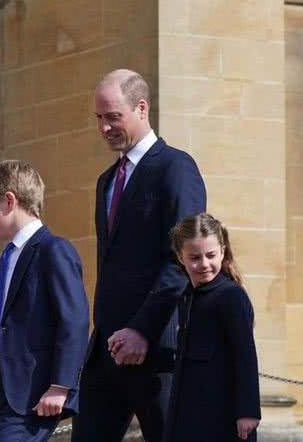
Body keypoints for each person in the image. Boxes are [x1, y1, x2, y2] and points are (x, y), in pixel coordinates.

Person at [72, 69, 207, 442]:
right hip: (106, 351)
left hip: (157, 349)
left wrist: (142, 329)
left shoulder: (175, 169)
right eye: (99, 118)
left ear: (141, 108)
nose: (104, 128)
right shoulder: (105, 182)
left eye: (113, 116)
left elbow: (182, 259)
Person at [0, 160, 89, 441]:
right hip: (3, 393)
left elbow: (73, 320)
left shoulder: (53, 250)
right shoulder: (8, 257)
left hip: (32, 394)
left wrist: (61, 385)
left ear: (9, 200)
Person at [164, 213, 261, 442]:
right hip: (190, 415)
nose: (204, 264)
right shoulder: (187, 296)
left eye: (211, 255)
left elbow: (245, 355)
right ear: (180, 257)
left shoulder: (230, 296)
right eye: (195, 257)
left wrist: (247, 411)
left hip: (223, 419)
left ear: (223, 252)